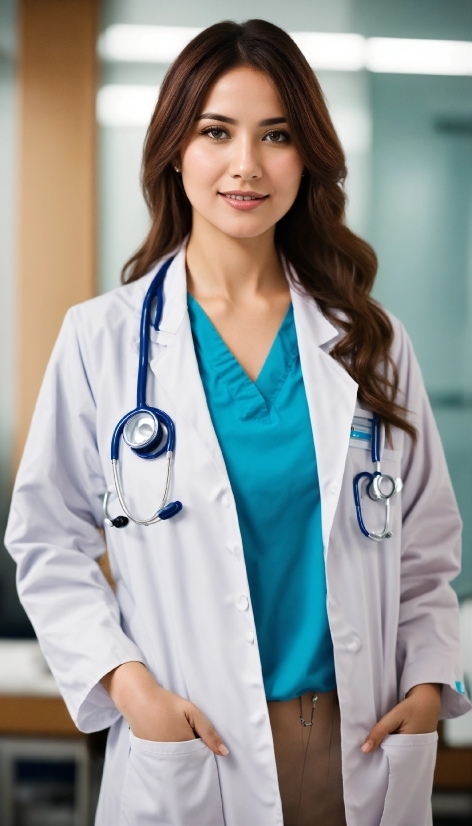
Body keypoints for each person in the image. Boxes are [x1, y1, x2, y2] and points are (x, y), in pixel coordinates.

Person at [5, 19, 470, 826]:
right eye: (217, 131)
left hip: (359, 743)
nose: (246, 164)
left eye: (277, 135)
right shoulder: (103, 340)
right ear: (175, 150)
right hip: (194, 742)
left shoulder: (371, 340)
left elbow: (426, 553)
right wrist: (129, 687)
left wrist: (430, 686)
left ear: (308, 157)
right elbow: (48, 541)